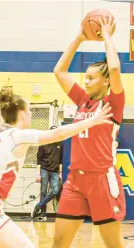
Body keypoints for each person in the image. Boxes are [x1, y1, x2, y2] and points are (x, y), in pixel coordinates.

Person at [0, 86, 112, 248]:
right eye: (29, 110)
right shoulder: (18, 136)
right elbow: (58, 134)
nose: (31, 114)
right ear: (21, 114)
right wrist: (92, 121)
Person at [52, 17, 125, 248]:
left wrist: (108, 37)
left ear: (105, 82)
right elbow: (59, 71)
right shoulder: (82, 100)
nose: (86, 81)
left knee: (112, 244)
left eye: (91, 78)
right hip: (75, 181)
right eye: (86, 77)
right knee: (59, 242)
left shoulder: (113, 103)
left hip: (102, 180)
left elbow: (113, 67)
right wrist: (80, 38)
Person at [32, 126, 63, 220]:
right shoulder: (43, 143)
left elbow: (61, 159)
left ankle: (38, 205)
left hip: (55, 171)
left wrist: (60, 172)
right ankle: (43, 214)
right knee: (43, 191)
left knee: (55, 190)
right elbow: (39, 160)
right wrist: (38, 173)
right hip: (44, 169)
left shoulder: (60, 144)